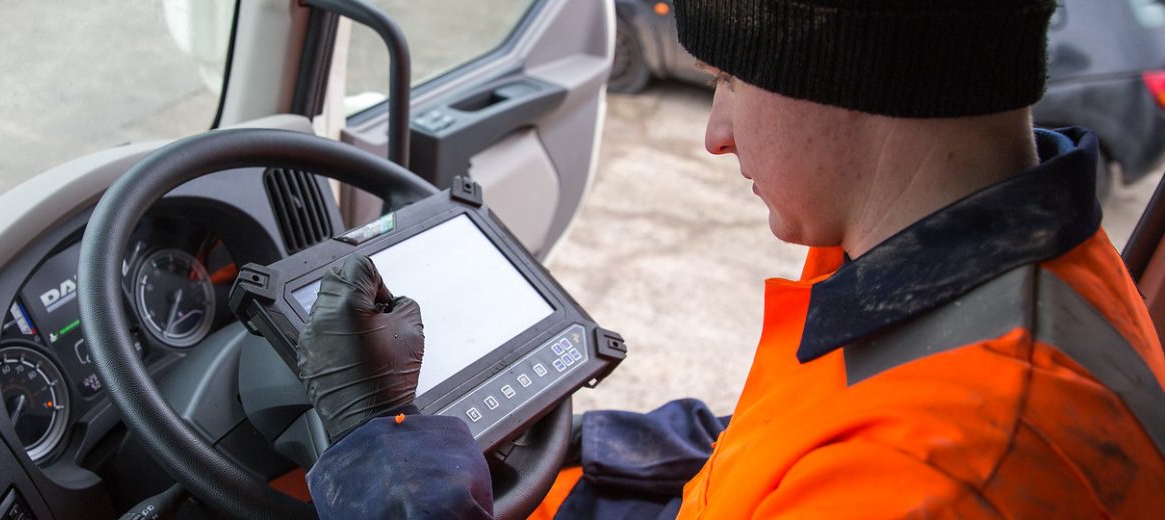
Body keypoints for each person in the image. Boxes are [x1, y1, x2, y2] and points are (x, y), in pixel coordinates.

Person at [294, 0, 1165, 517]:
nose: (714, 134)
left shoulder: (939, 482)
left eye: (727, 80)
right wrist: (564, 448)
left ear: (842, 75)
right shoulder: (957, 259)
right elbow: (762, 445)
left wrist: (385, 449)